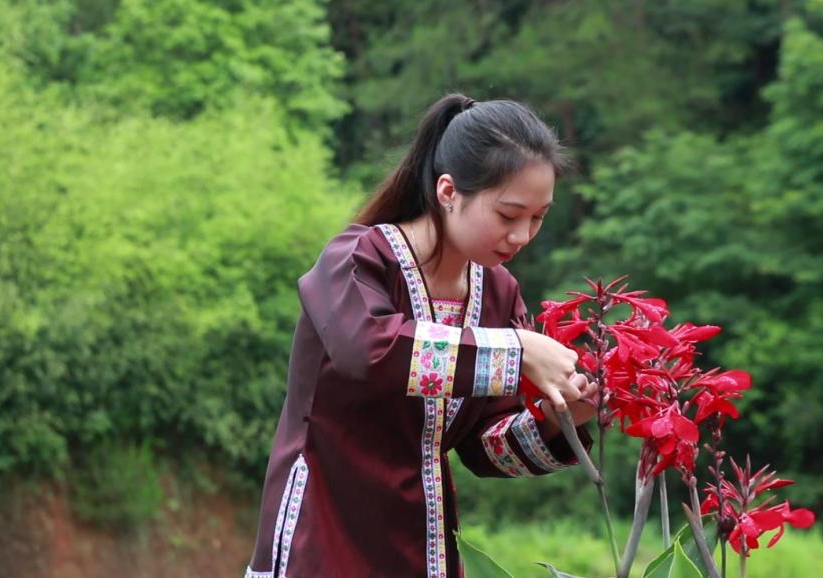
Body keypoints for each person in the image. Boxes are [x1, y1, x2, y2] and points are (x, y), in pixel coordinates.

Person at [244, 93, 599, 578]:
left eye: (538, 217)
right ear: (448, 191)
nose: (522, 235)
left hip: (423, 541)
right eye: (508, 214)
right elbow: (369, 353)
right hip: (324, 529)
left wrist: (564, 421)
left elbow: (482, 446)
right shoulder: (358, 259)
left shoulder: (497, 292)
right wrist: (518, 351)